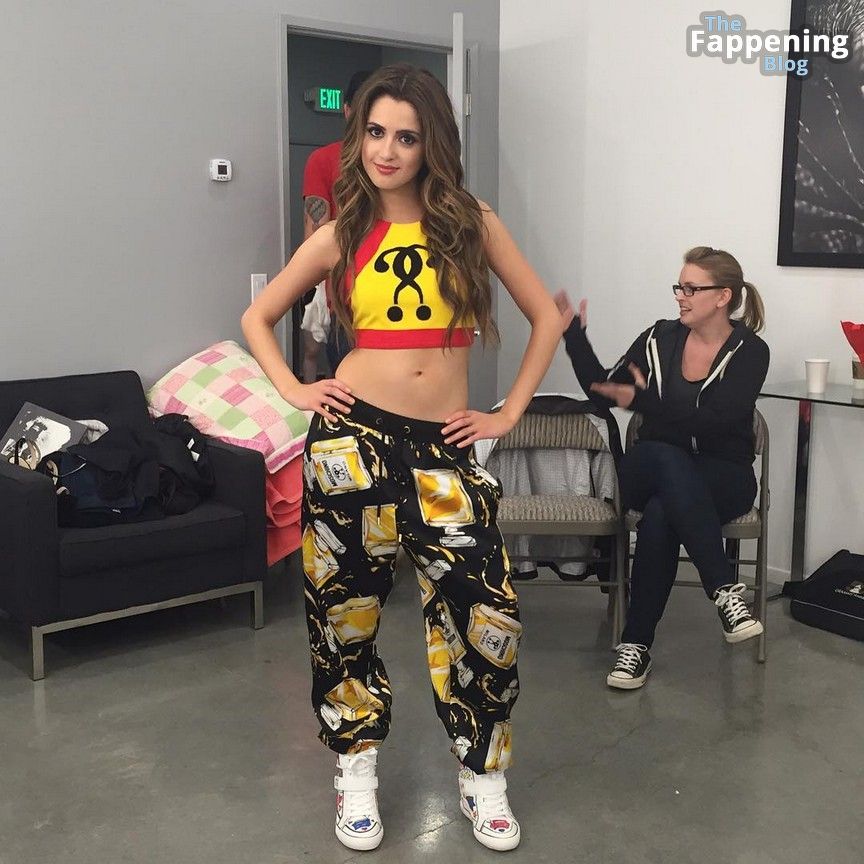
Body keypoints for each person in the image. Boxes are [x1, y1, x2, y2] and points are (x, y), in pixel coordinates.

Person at [242, 64, 560, 852]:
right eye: (376, 132)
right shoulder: (342, 232)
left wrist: (506, 413)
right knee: (342, 614)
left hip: (444, 448)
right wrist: (296, 388)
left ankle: (483, 775)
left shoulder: (472, 223)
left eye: (406, 137)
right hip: (351, 442)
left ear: (431, 146)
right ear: (360, 137)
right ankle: (355, 771)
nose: (386, 151)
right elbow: (258, 316)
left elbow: (546, 317)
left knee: (485, 612)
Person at [555, 246, 769, 690]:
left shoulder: (750, 351)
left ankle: (635, 646)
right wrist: (574, 338)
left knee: (661, 513)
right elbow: (602, 392)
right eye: (679, 287)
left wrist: (646, 402)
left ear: (723, 296)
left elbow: (717, 424)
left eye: (691, 288)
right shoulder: (658, 338)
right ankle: (723, 590)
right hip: (650, 467)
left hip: (723, 475)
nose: (680, 296)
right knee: (663, 456)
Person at [300, 70, 371, 382]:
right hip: (347, 302)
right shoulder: (325, 160)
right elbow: (314, 235)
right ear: (347, 110)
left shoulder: (398, 163)